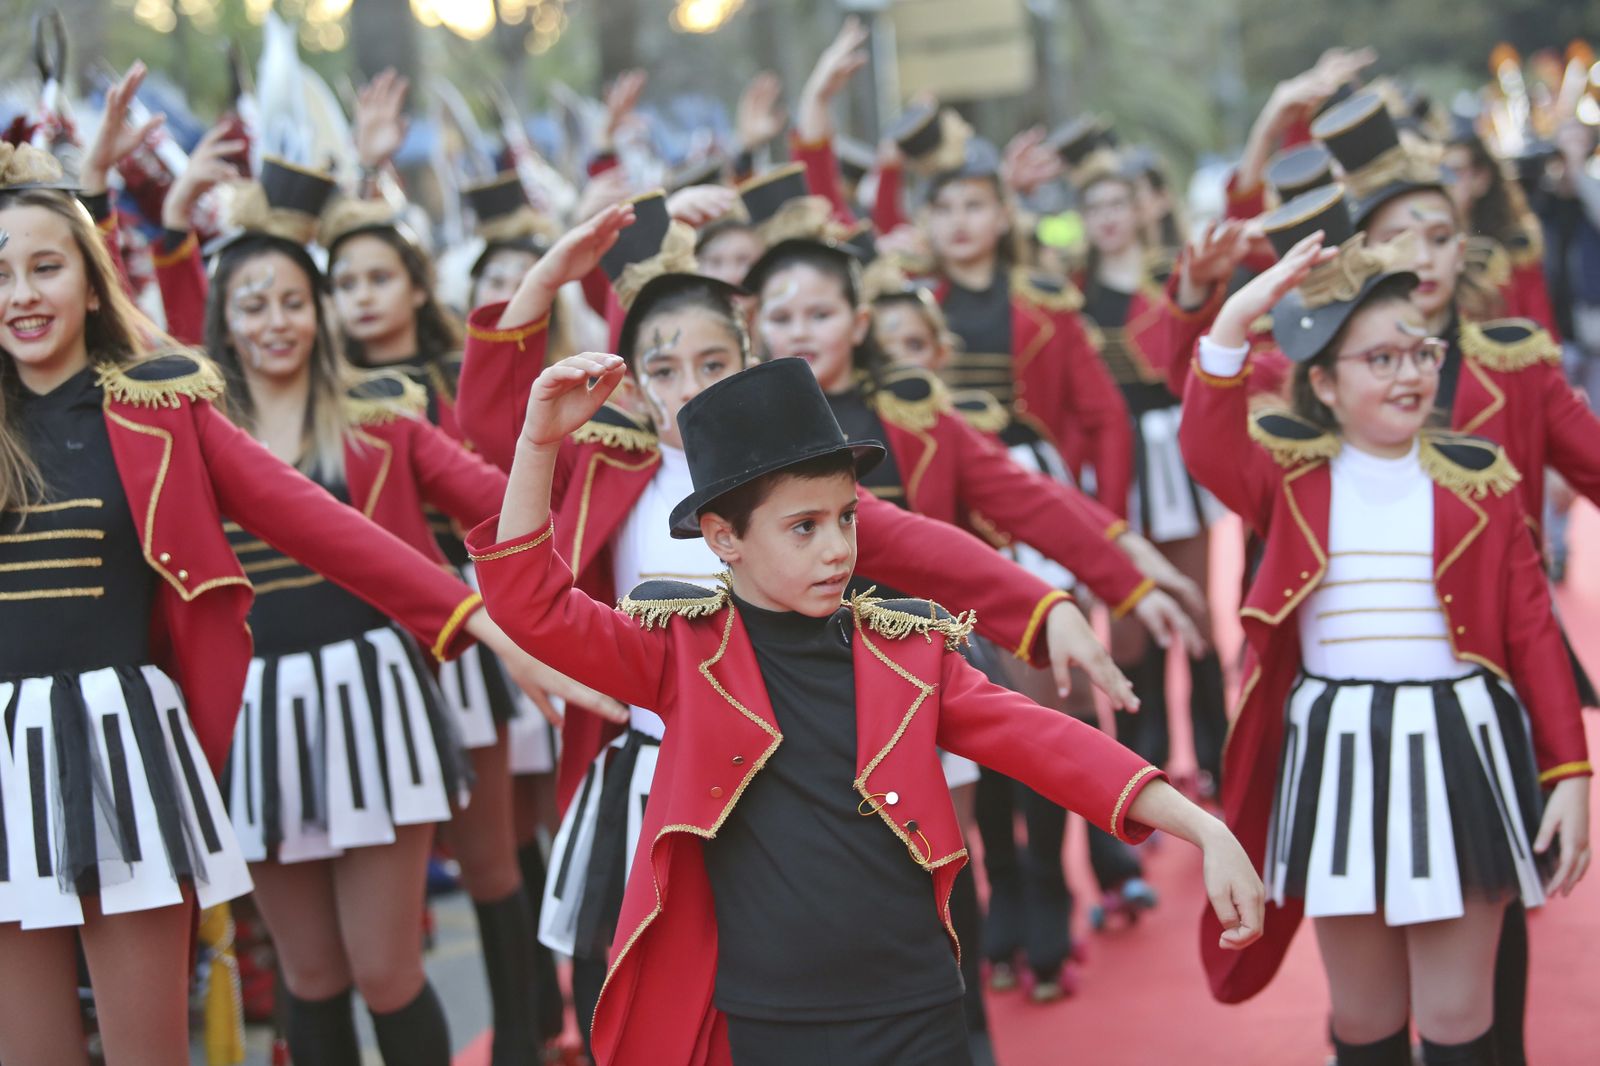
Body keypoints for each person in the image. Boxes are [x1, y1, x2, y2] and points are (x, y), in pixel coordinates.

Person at [454, 192, 1180, 1058]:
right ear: (637, 386)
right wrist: (545, 281)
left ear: (752, 361)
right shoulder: (603, 464)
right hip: (648, 773)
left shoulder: (795, 490)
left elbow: (934, 547)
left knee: (823, 957)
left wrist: (1049, 607)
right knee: (635, 980)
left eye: (714, 366)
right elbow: (499, 429)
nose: (691, 390)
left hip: (786, 770)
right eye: (667, 371)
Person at [0, 137, 494, 1066]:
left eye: (45, 267)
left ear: (93, 282)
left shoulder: (154, 411)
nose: (22, 293)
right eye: (0, 275)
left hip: (122, 746)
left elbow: (319, 524)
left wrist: (479, 620)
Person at [1181, 186, 1591, 1066]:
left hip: (1457, 744)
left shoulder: (1480, 481)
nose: (1409, 374)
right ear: (1323, 383)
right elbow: (1206, 444)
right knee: (1364, 1021)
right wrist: (1244, 308)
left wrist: (1569, 772)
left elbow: (1531, 633)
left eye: (1421, 352)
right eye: (1381, 359)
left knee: (1456, 1019)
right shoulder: (1290, 478)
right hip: (1336, 748)